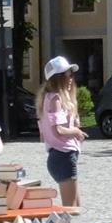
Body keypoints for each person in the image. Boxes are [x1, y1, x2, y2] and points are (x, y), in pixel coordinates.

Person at [38, 57, 84, 206]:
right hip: (62, 156)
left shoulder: (51, 98)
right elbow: (58, 130)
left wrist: (74, 122)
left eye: (71, 73)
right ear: (58, 78)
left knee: (76, 207)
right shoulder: (55, 98)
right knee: (71, 209)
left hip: (62, 156)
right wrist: (76, 131)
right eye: (68, 74)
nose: (71, 77)